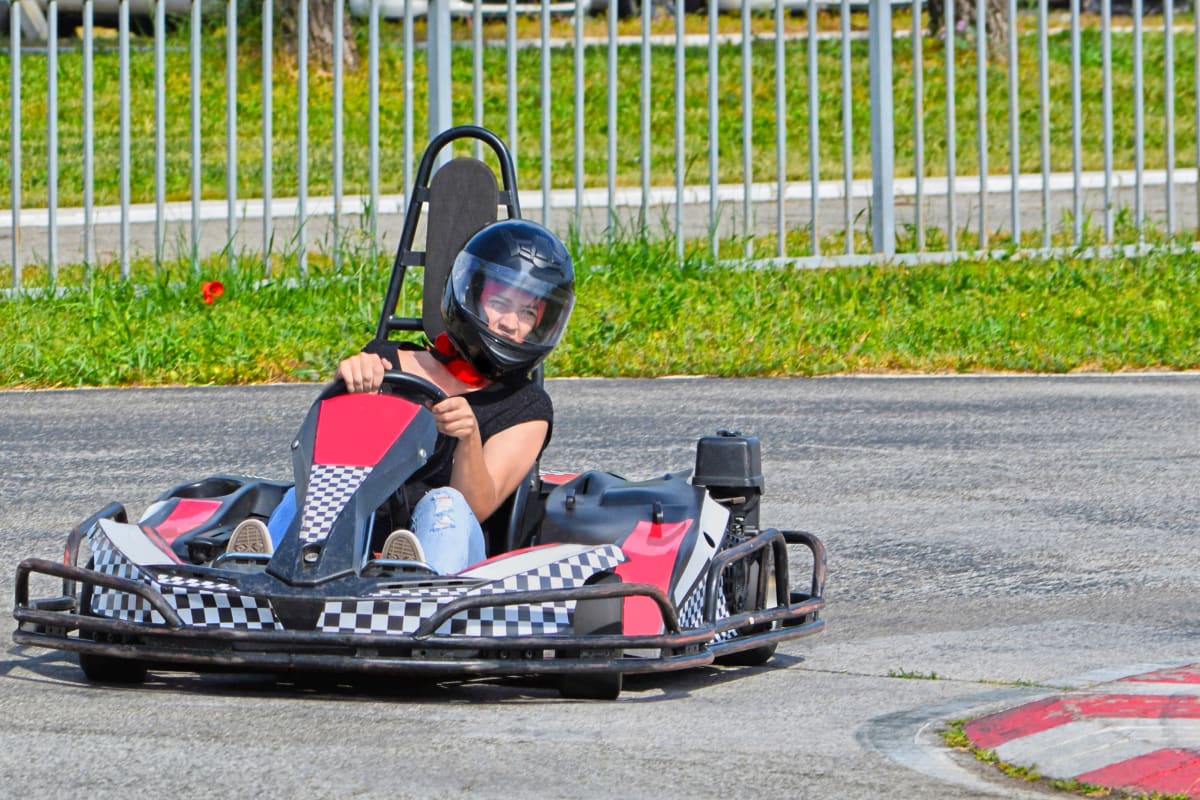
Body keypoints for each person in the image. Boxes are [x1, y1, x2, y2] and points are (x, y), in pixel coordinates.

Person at [227, 219, 575, 575]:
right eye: (500, 303)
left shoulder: (526, 406)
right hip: (351, 549)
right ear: (468, 295)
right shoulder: (385, 362)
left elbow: (477, 506)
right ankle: (260, 574)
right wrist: (350, 384)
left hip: (456, 563)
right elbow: (327, 458)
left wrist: (468, 438)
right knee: (315, 489)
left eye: (528, 313)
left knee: (447, 502)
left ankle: (414, 576)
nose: (510, 323)